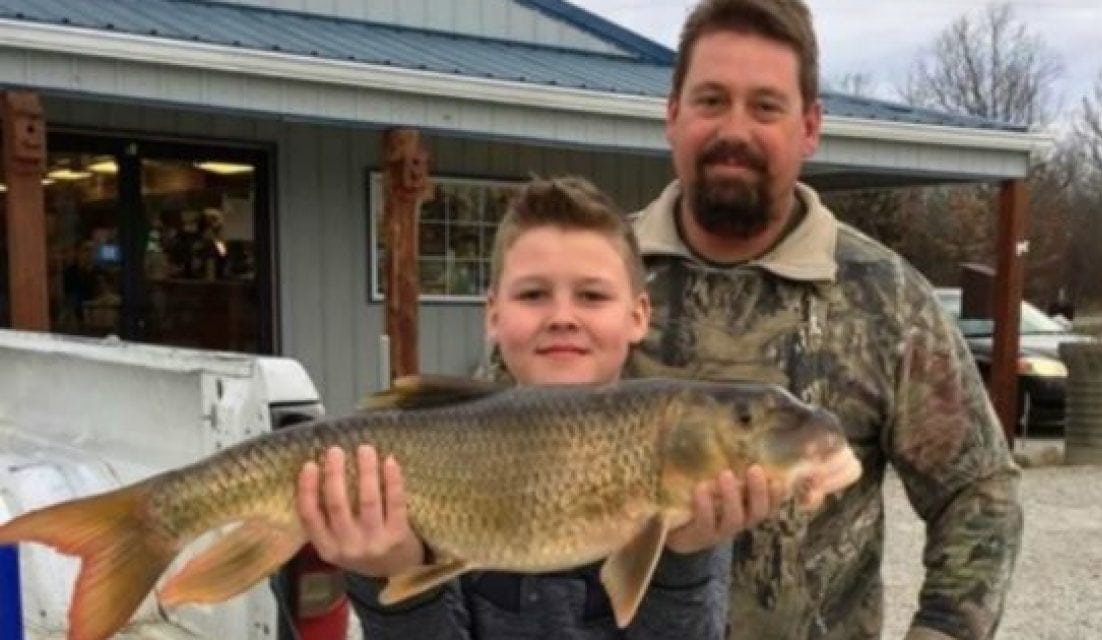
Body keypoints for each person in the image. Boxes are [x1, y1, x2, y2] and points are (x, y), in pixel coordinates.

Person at [620, 1, 1023, 638]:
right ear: (672, 116)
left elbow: (978, 491)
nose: (735, 129)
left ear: (810, 127)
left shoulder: (886, 299)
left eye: (765, 106)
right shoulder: (589, 286)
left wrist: (944, 630)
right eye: (711, 100)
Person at [296, 177, 793, 638]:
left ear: (638, 314)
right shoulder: (425, 444)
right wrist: (391, 577)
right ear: (493, 314)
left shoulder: (688, 464)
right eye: (533, 294)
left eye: (592, 295)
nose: (562, 317)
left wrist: (682, 561)